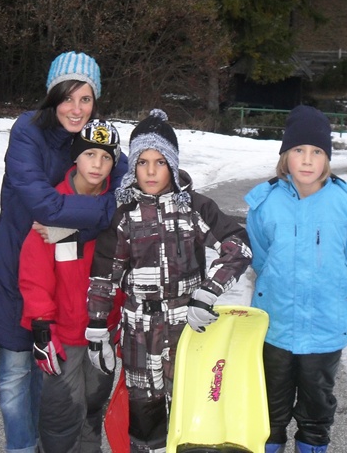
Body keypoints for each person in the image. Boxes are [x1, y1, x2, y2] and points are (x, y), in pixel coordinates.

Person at [0, 51, 128, 453]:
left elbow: (128, 191)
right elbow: (44, 206)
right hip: (14, 264)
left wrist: (86, 221)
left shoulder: (92, 137)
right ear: (52, 95)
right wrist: (103, 214)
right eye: (67, 97)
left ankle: (47, 445)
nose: (76, 109)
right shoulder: (28, 131)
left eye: (85, 99)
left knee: (51, 371)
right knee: (15, 374)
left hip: (61, 273)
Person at [85, 109, 253, 453]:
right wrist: (97, 329)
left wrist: (207, 293)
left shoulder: (195, 208)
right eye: (142, 162)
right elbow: (104, 276)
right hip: (139, 333)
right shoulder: (123, 215)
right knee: (145, 419)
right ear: (132, 167)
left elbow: (239, 247)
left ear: (172, 165)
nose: (150, 171)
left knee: (190, 413)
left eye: (160, 162)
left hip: (187, 331)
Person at [244, 105, 347, 453]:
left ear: (327, 158)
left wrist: (345, 310)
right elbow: (260, 258)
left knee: (317, 410)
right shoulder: (265, 204)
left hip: (325, 329)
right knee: (268, 410)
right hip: (275, 327)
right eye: (298, 150)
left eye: (316, 151)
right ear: (285, 155)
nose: (306, 160)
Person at [18, 119, 125, 453]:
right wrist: (41, 323)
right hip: (64, 336)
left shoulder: (118, 208)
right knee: (61, 413)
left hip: (102, 332)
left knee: (93, 406)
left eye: (106, 157)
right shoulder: (53, 205)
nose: (97, 164)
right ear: (75, 157)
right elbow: (34, 272)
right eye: (90, 154)